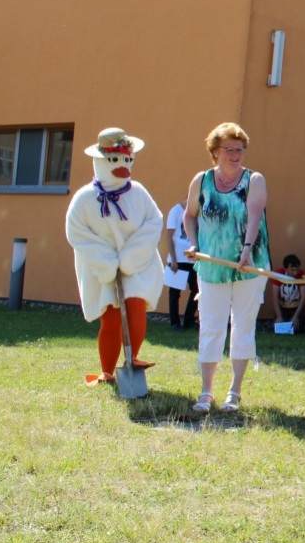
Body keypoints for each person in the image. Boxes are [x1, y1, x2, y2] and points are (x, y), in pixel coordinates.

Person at [65, 127, 163, 386]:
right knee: (109, 318)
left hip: (137, 267)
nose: (122, 166)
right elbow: (76, 231)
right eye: (114, 160)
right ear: (101, 161)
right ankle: (106, 371)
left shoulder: (139, 193)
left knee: (136, 307)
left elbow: (154, 222)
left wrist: (132, 256)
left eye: (127, 159)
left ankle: (134, 357)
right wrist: (105, 260)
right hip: (101, 270)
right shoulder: (85, 198)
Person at [182, 122, 270, 413]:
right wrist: (193, 244)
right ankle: (206, 393)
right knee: (210, 326)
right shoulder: (202, 180)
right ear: (215, 152)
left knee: (242, 325)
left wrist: (246, 250)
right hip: (212, 267)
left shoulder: (254, 179)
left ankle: (234, 392)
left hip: (249, 266)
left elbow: (255, 215)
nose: (236, 154)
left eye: (240, 149)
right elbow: (189, 215)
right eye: (229, 149)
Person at [162, 200, 199, 330]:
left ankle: (189, 320)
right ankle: (175, 323)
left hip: (194, 259)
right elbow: (169, 236)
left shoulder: (198, 213)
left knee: (197, 290)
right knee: (175, 292)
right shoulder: (176, 210)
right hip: (178, 257)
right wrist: (173, 259)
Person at [268, 253, 305, 332]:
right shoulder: (279, 274)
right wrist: (279, 316)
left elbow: (303, 296)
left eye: (297, 270)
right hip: (283, 309)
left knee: (297, 327)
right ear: (285, 269)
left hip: (296, 308)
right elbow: (274, 296)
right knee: (277, 328)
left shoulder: (302, 275)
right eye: (292, 270)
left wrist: (296, 316)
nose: (295, 273)